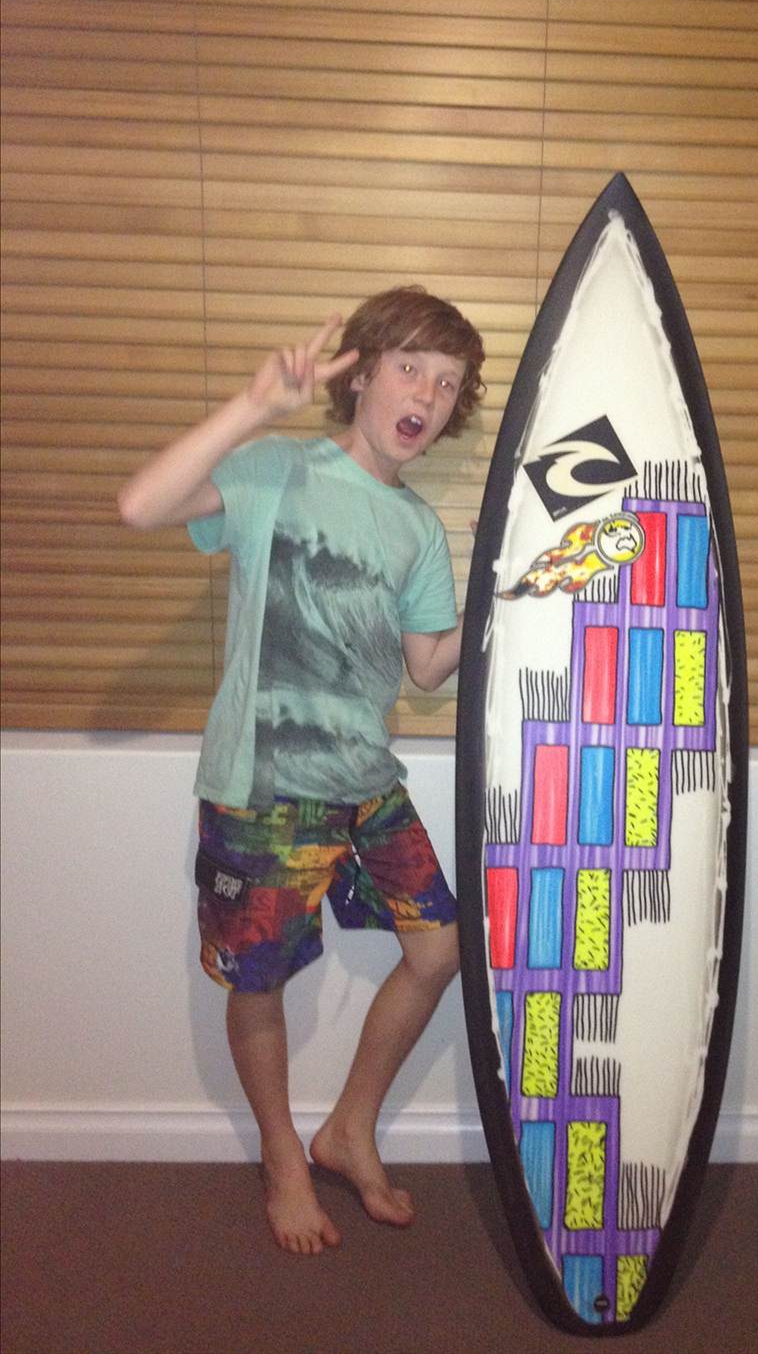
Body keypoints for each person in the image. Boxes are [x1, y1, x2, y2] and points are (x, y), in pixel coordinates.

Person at [118, 286, 485, 1255]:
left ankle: (349, 1129)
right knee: (261, 980)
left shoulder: (417, 529)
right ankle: (284, 1157)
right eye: (410, 367)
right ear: (360, 375)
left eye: (448, 384)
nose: (428, 395)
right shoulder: (277, 468)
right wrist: (253, 407)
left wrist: (504, 598)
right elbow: (141, 505)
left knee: (439, 950)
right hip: (263, 787)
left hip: (365, 781)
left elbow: (426, 667)